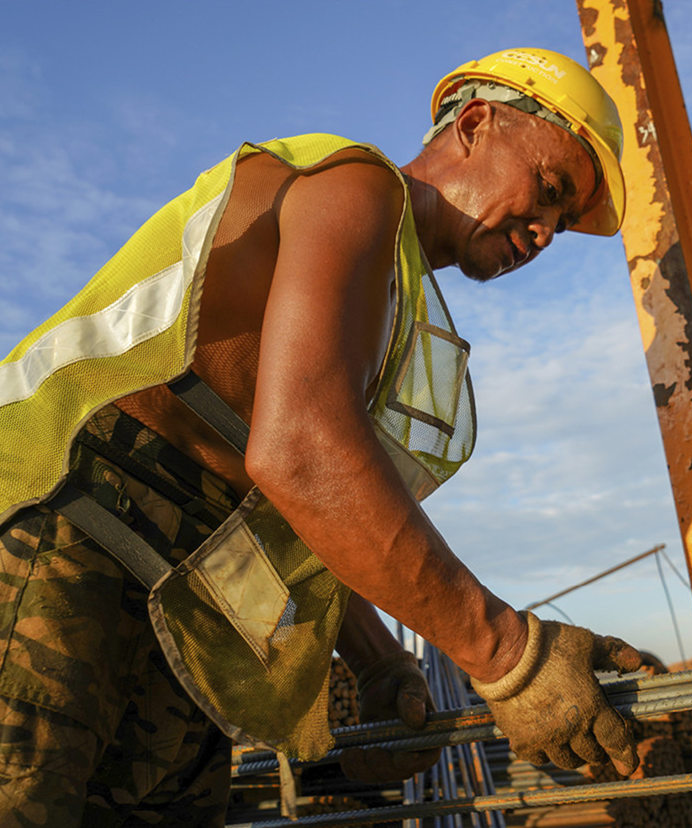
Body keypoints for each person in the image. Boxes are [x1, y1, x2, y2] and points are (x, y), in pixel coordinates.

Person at [0, 47, 643, 824]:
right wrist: (509, 655)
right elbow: (301, 453)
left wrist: (376, 668)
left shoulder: (387, 299)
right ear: (476, 124)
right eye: (549, 190)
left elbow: (302, 505)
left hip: (173, 597)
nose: (545, 233)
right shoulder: (356, 189)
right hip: (53, 533)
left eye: (563, 222)